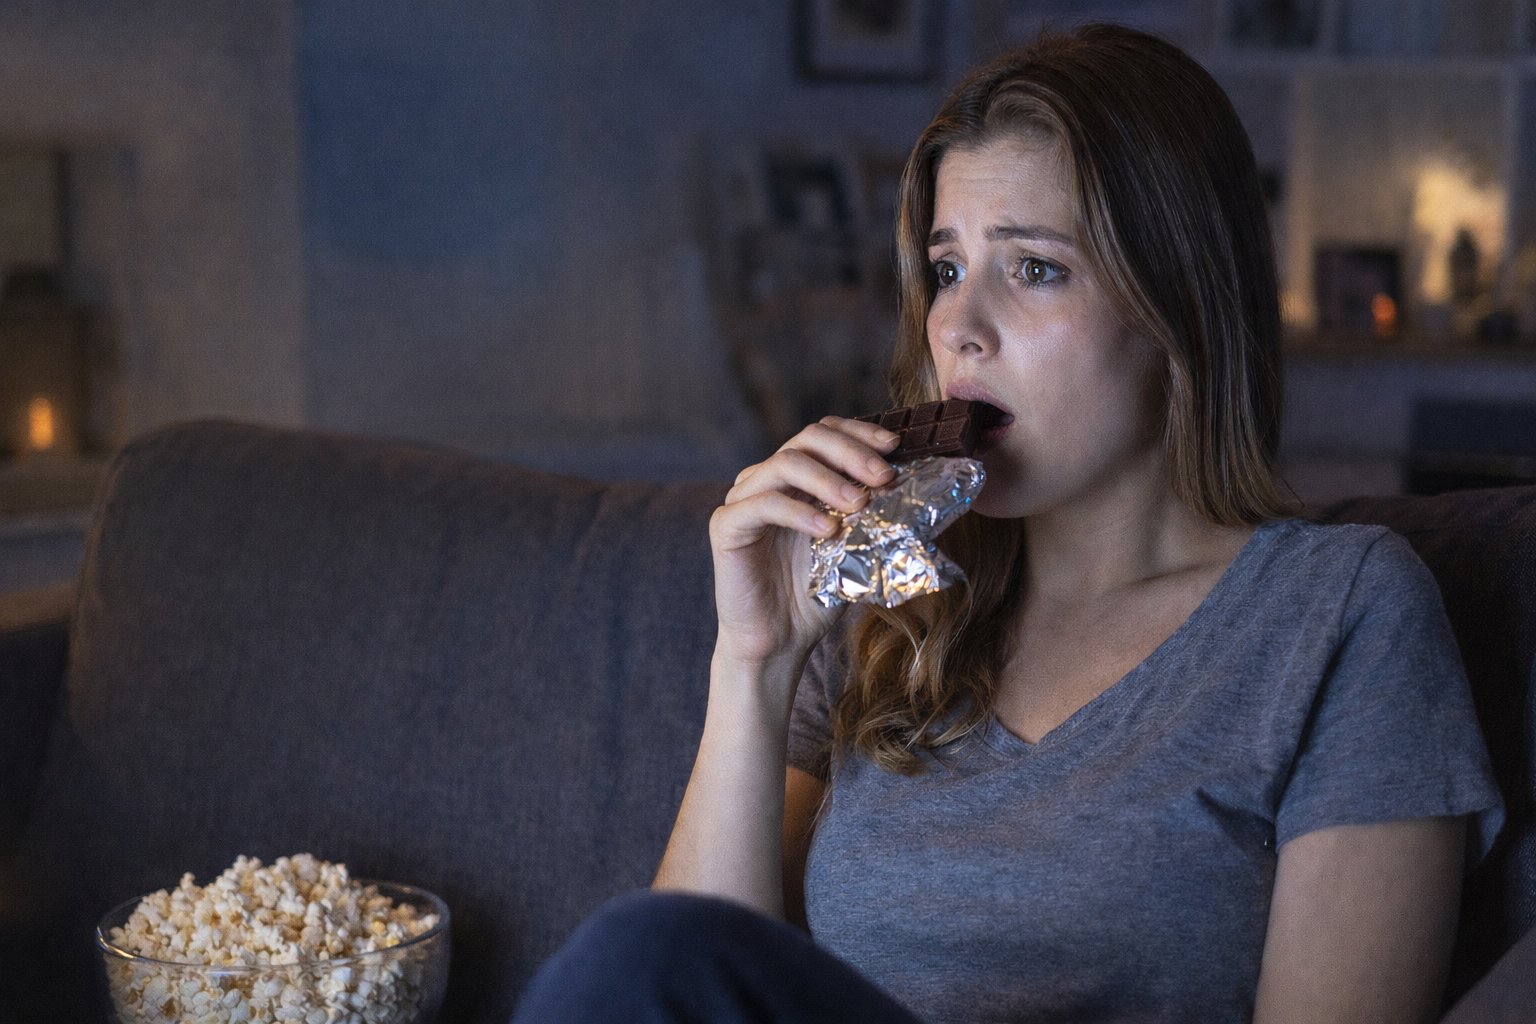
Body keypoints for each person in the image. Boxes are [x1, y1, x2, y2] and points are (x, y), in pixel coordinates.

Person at [513, 23, 1502, 1024]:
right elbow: (687, 977)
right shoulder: (886, 603)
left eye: (1033, 269)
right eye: (946, 269)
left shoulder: (1340, 614)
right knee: (636, 950)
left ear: (1178, 307)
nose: (957, 326)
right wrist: (755, 661)